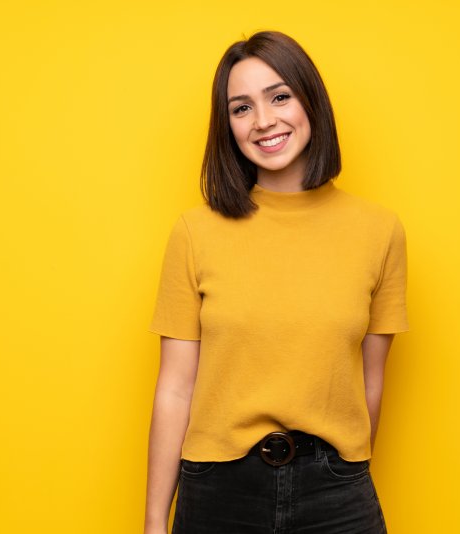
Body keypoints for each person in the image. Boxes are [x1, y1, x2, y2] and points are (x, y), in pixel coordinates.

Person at [144, 30, 408, 534]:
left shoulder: (379, 232)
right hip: (218, 492)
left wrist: (341, 472)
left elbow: (371, 382)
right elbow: (175, 388)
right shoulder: (195, 233)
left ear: (311, 101)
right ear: (227, 127)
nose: (264, 121)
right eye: (241, 108)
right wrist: (155, 520)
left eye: (280, 96)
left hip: (336, 493)